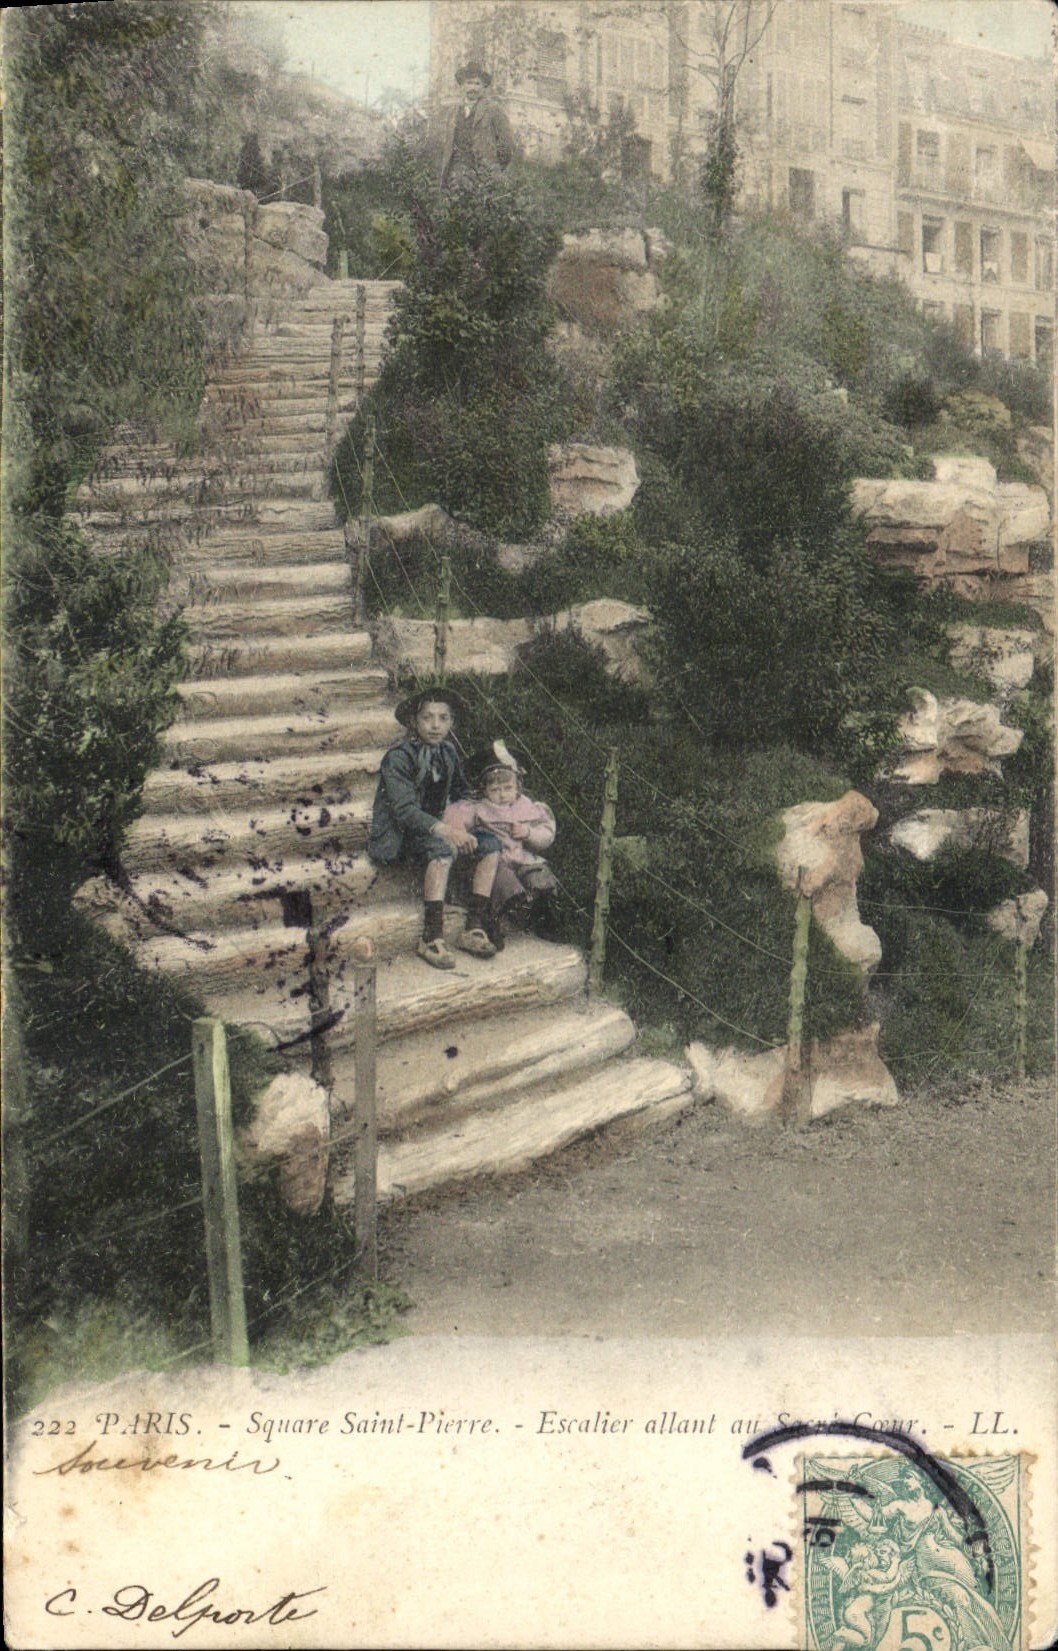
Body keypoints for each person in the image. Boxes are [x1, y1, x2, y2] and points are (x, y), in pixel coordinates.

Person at [368, 688, 500, 970]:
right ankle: (431, 937)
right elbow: (404, 811)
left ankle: (473, 926)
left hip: (435, 831)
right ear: (414, 722)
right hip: (399, 835)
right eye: (427, 718)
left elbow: (460, 792)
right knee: (441, 850)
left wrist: (475, 814)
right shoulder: (398, 758)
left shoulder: (447, 753)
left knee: (490, 845)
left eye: (443, 718)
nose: (435, 725)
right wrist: (448, 831)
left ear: (451, 722)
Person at [442, 742, 557, 951]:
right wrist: (463, 833)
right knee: (505, 885)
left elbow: (546, 833)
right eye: (495, 790)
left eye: (508, 788)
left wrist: (528, 833)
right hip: (498, 861)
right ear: (484, 790)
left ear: (518, 786)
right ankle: (494, 922)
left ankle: (543, 917)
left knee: (540, 876)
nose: (502, 795)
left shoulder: (528, 807)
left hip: (523, 858)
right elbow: (455, 820)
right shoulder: (479, 809)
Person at [439, 62, 515, 188]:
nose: (473, 88)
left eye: (477, 83)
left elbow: (507, 145)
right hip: (455, 175)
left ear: (483, 87)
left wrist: (493, 168)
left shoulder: (494, 110)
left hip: (484, 177)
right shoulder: (453, 112)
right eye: (469, 83)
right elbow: (446, 146)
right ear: (462, 85)